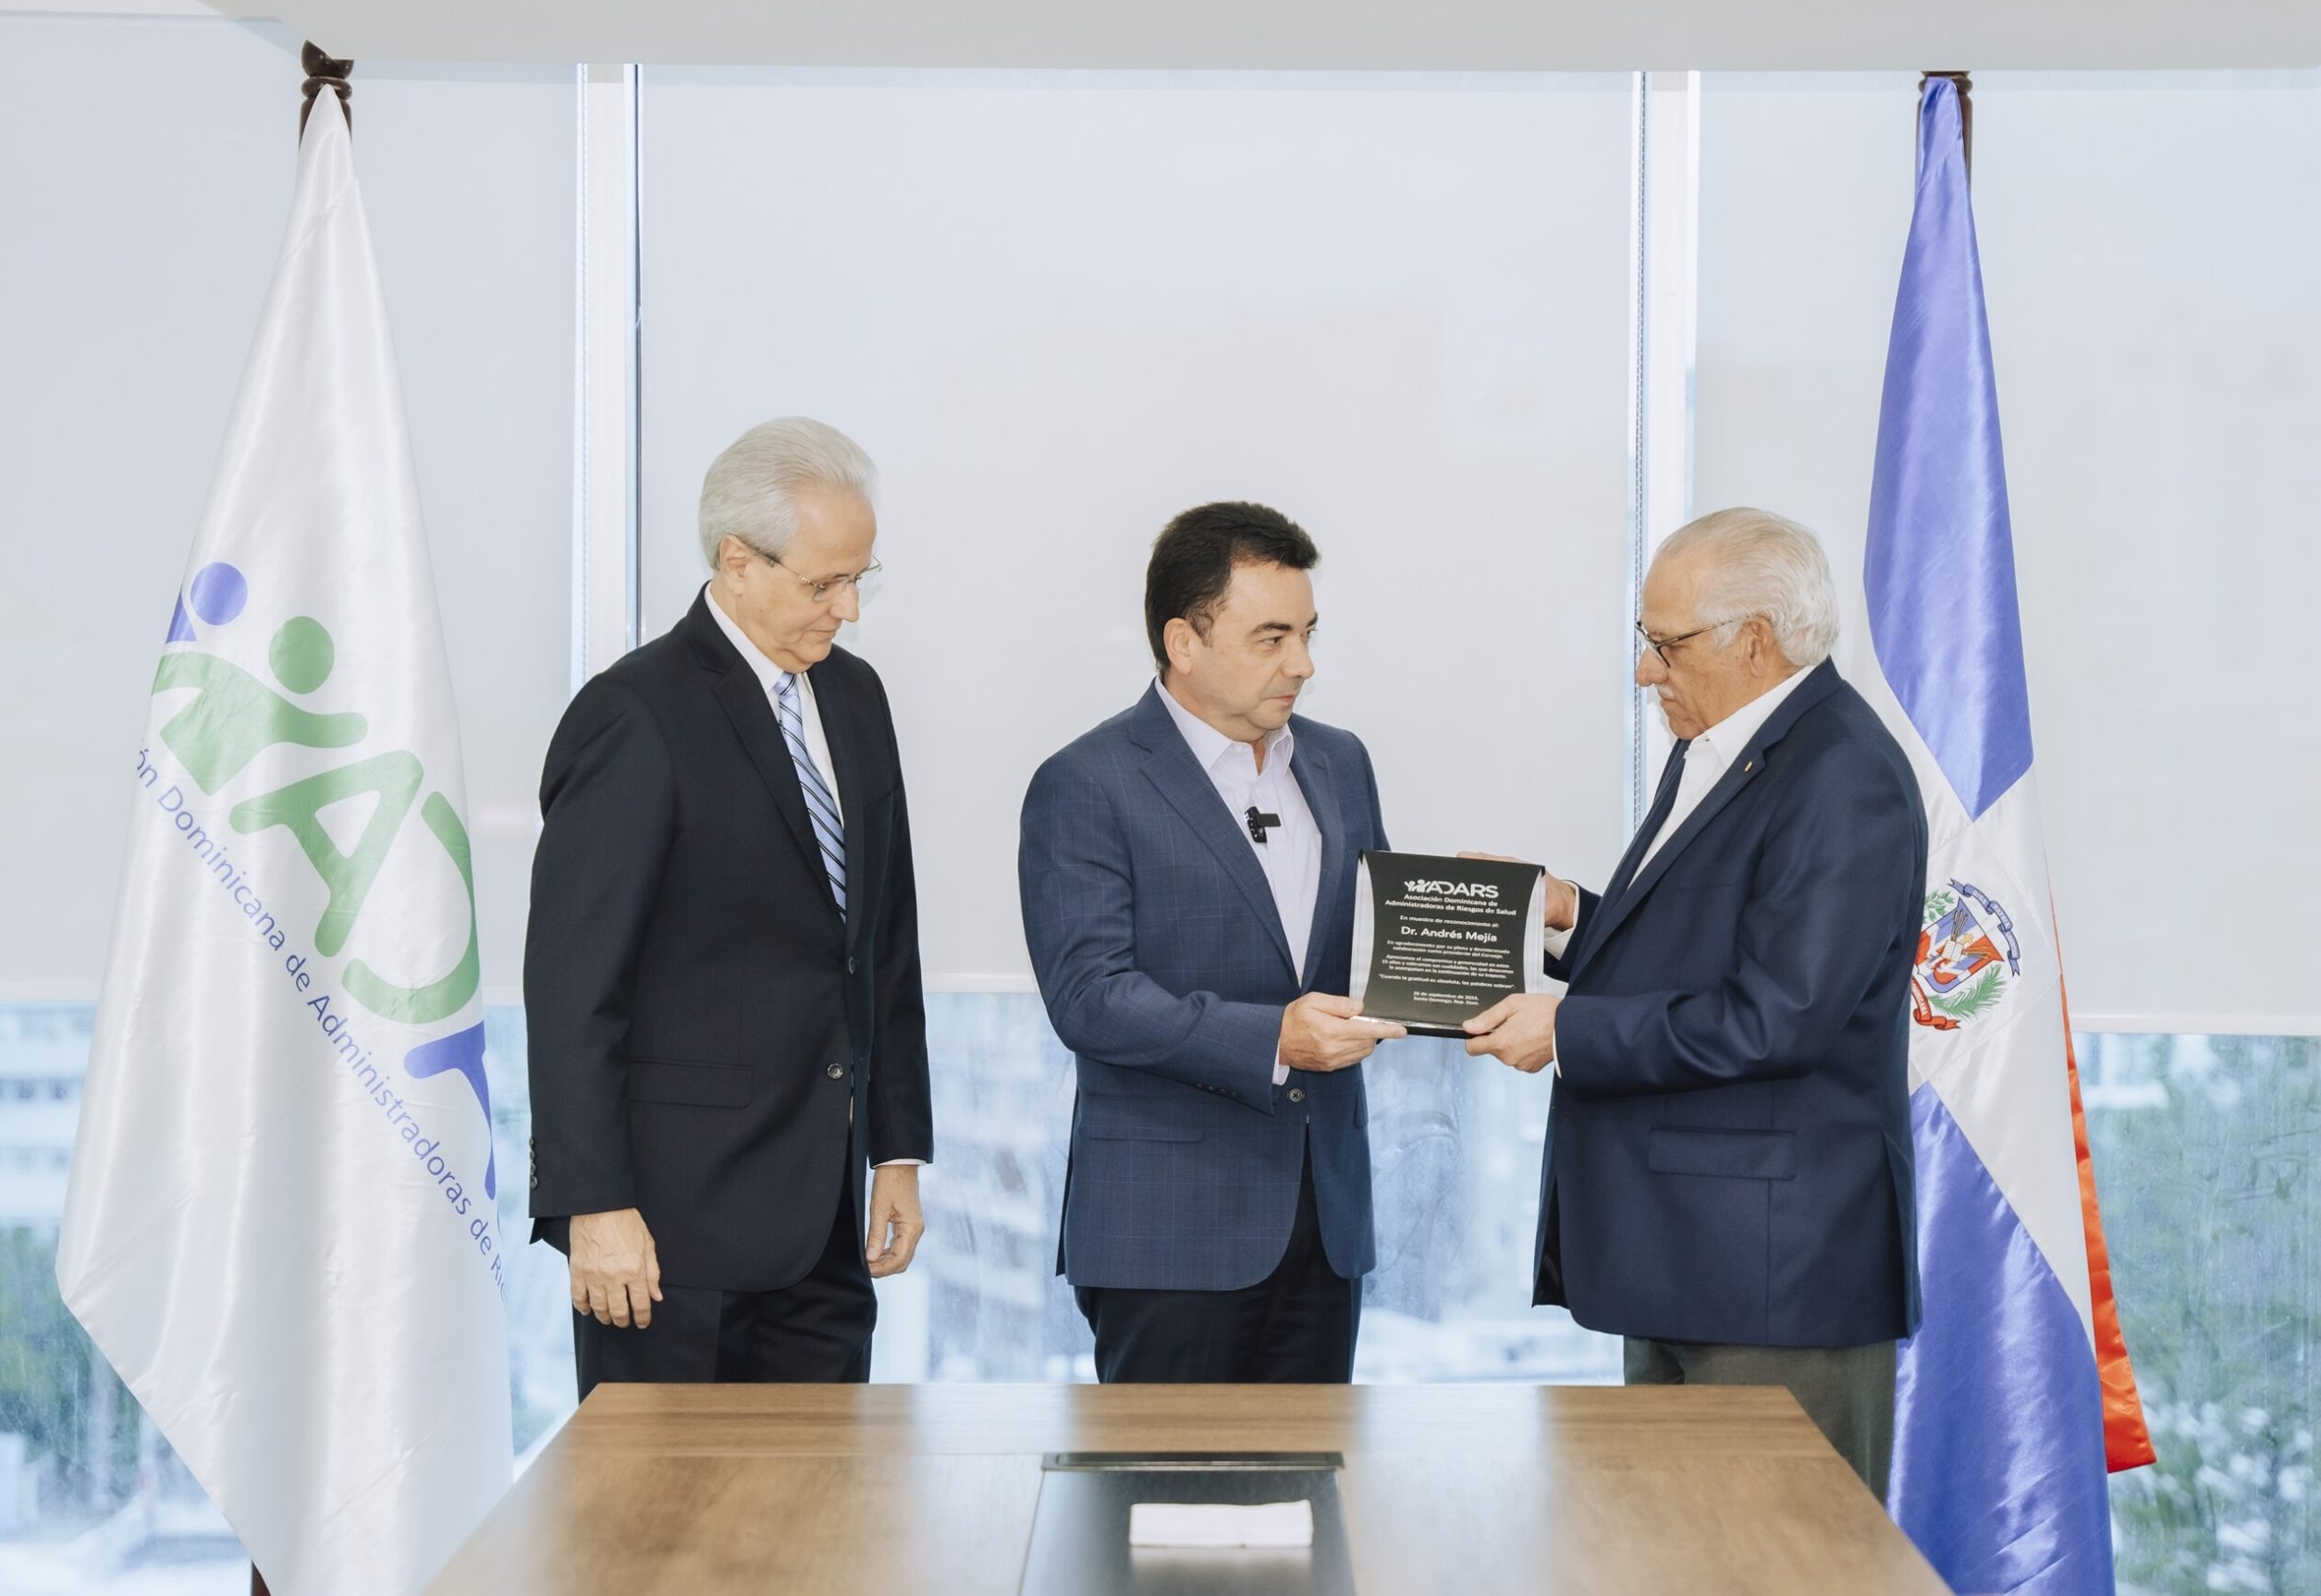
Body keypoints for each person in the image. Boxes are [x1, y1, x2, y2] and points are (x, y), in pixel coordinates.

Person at [1462, 508, 1926, 1498]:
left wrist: (1568, 1031)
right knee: (1670, 1554)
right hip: (1685, 1256)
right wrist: (1565, 913)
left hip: (1775, 1283)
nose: (1645, 671)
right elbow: (1697, 954)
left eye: (1665, 644)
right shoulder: (1725, 747)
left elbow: (1778, 1016)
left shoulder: (1843, 777)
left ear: (1754, 639)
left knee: (1781, 1560)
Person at [524, 417, 932, 1398]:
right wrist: (593, 1204)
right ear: (738, 560)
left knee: (823, 1492)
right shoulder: (635, 713)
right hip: (668, 1235)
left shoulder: (858, 700)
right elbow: (574, 983)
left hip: (824, 1225)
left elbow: (882, 943)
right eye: (824, 585)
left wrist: (897, 1149)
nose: (849, 610)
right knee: (660, 1499)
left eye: (860, 579)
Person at [1019, 501, 1405, 1384]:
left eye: (1307, 634)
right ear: (1183, 642)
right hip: (1167, 1234)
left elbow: (1372, 951)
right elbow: (1090, 997)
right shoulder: (1086, 782)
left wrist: (1481, 939)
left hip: (1326, 1221)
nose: (1303, 664)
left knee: (1315, 1472)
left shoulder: (1341, 762)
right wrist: (1276, 1039)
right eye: (1272, 638)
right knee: (1161, 1474)